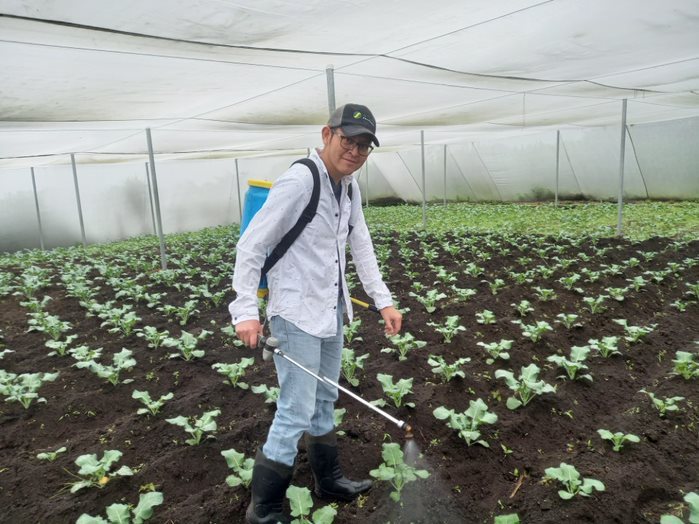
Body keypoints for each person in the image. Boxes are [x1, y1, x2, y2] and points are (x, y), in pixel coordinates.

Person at [229, 102, 402, 524]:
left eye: (365, 145)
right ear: (327, 135)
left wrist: (383, 300)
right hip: (295, 314)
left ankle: (329, 480)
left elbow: (361, 246)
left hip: (330, 312)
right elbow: (251, 245)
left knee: (325, 398)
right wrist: (245, 310)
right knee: (295, 409)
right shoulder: (300, 181)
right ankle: (264, 512)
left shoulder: (350, 188)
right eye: (349, 140)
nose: (356, 151)